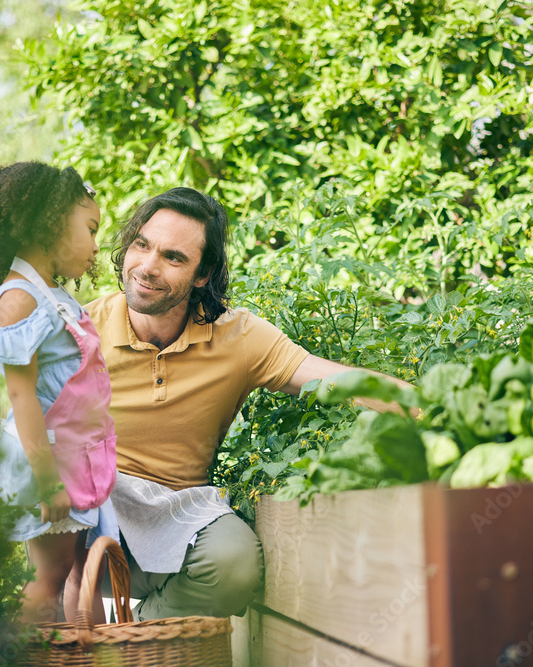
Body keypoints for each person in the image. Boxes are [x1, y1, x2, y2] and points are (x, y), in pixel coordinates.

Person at [63, 186, 407, 622]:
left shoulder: (238, 338)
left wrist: (434, 408)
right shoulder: (78, 332)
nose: (147, 268)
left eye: (173, 258)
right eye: (141, 245)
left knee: (234, 564)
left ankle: (139, 638)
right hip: (93, 516)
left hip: (177, 516)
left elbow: (333, 380)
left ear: (202, 274)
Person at [0, 161, 118, 625]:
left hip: (73, 455)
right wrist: (47, 480)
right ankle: (21, 653)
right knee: (49, 576)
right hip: (48, 462)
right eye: (90, 230)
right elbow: (22, 397)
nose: (97, 246)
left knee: (79, 574)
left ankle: (85, 653)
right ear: (50, 223)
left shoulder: (51, 295)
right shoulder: (20, 298)